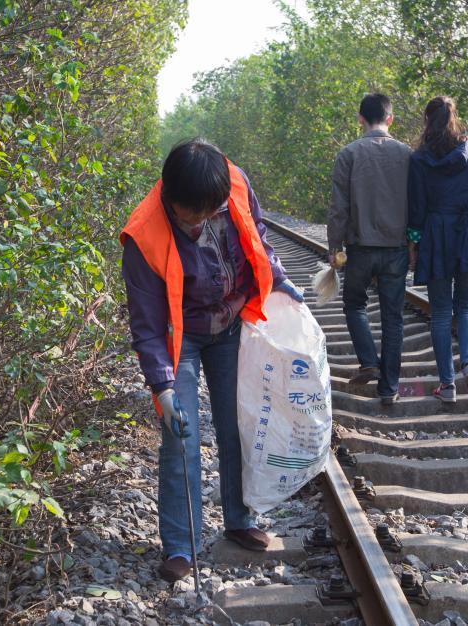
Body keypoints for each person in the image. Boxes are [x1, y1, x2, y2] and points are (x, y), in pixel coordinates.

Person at [120, 139, 304, 582]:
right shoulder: (144, 234)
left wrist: (280, 284)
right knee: (179, 435)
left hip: (232, 322)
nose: (201, 223)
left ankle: (240, 521)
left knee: (237, 423)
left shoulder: (235, 184)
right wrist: (162, 387)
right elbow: (146, 326)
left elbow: (256, 238)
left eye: (209, 212)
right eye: (191, 216)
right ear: (170, 199)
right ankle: (181, 546)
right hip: (177, 337)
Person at [407, 96, 468, 404]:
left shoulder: (419, 158)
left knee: (439, 313)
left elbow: (416, 207)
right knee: (465, 308)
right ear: (454, 117)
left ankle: (447, 385)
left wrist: (414, 242)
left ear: (427, 121)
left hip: (435, 235)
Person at [327, 93, 413, 405]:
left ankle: (368, 361)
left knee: (354, 305)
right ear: (390, 119)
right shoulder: (407, 154)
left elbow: (339, 207)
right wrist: (414, 244)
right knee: (393, 318)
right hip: (396, 248)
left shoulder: (348, 154)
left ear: (360, 119)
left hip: (360, 248)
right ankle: (389, 389)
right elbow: (416, 204)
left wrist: (334, 246)